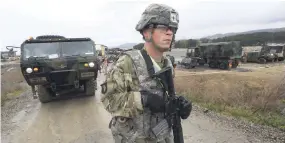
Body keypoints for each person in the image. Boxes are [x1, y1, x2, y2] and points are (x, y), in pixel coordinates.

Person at [100, 3, 192, 143]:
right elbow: (109, 100)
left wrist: (178, 106)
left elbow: (163, 97)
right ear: (146, 32)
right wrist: (143, 100)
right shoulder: (127, 63)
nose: (169, 33)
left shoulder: (167, 64)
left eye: (173, 29)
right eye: (163, 28)